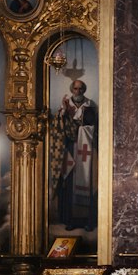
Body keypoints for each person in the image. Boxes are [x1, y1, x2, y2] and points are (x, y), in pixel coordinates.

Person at [51, 78, 98, 228]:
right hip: (70, 149)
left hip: (87, 150)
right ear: (72, 90)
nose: (78, 91)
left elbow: (95, 125)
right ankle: (69, 221)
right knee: (69, 184)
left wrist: (85, 129)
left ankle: (88, 221)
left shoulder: (90, 104)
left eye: (80, 89)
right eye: (75, 89)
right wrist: (64, 113)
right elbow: (57, 126)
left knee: (88, 182)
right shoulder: (65, 104)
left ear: (84, 90)